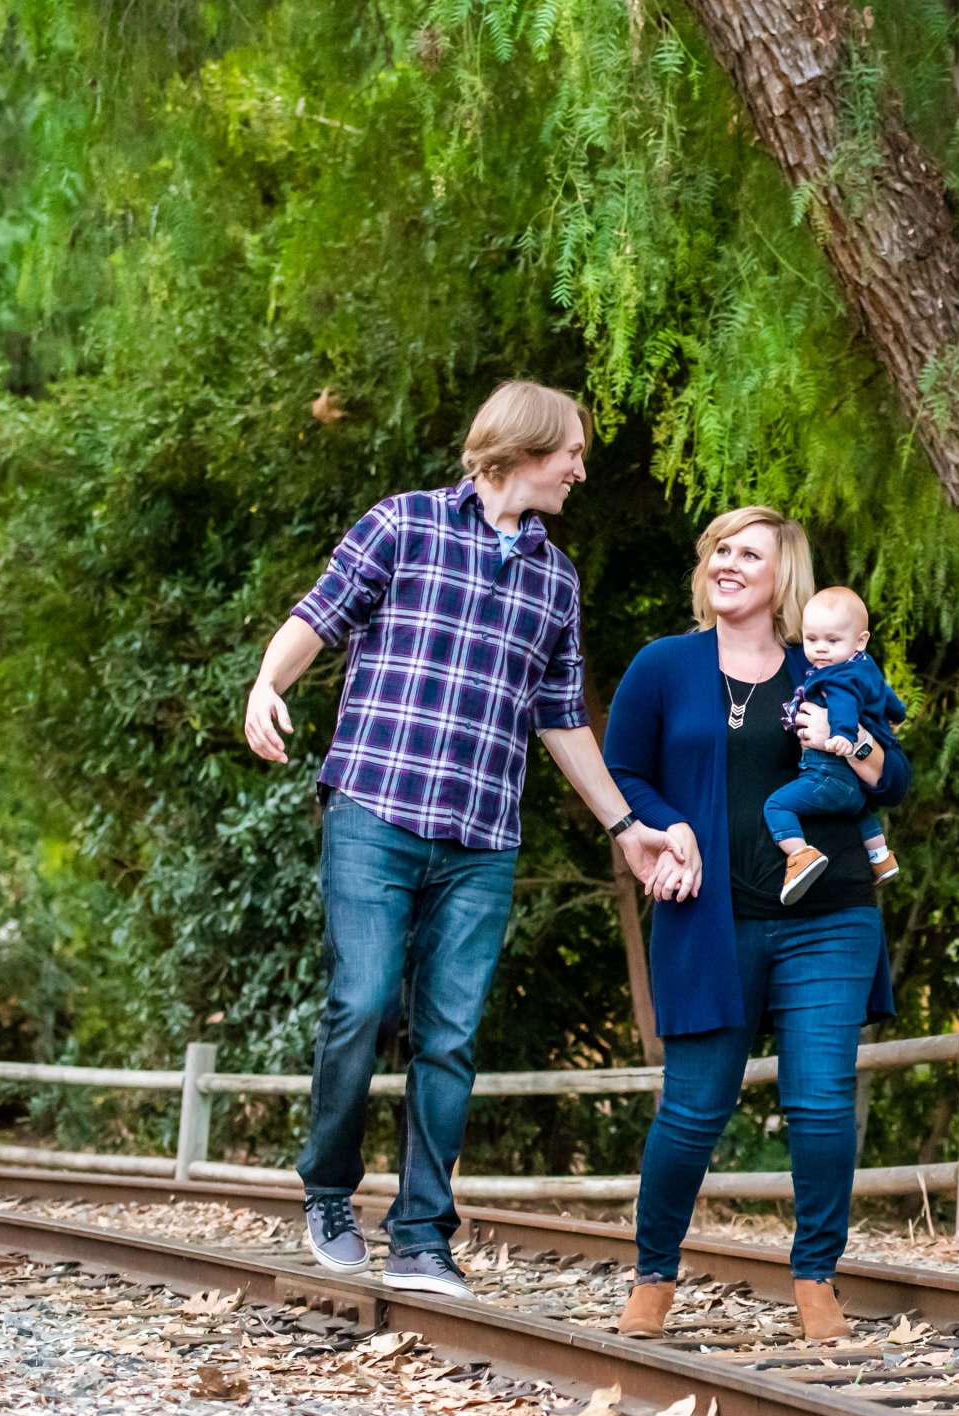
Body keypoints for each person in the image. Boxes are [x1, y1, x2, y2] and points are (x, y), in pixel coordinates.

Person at [241, 381, 690, 1300]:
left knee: (449, 1037)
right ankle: (328, 1191)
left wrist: (627, 829)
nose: (579, 469)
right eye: (571, 451)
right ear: (524, 447)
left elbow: (562, 721)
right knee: (361, 1001)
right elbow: (317, 616)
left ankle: (420, 1237)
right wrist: (266, 682)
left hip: (481, 839)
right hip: (374, 809)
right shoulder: (403, 526)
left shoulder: (554, 580)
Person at [602, 507, 910, 1341]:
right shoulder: (664, 665)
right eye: (719, 551)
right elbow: (621, 769)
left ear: (784, 579)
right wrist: (668, 827)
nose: (728, 564)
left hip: (829, 913)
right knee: (693, 1109)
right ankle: (654, 1276)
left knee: (819, 1102)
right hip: (709, 920)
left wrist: (846, 745)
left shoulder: (826, 671)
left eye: (749, 554)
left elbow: (893, 777)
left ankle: (815, 1279)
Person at [765, 586, 906, 902]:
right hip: (853, 789)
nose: (820, 650)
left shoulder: (835, 676)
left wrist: (841, 734)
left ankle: (801, 855)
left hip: (827, 774)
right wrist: (897, 715)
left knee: (776, 805)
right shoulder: (866, 669)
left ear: (861, 640)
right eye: (811, 640)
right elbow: (888, 698)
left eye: (832, 641)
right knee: (856, 812)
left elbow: (841, 706)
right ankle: (881, 857)